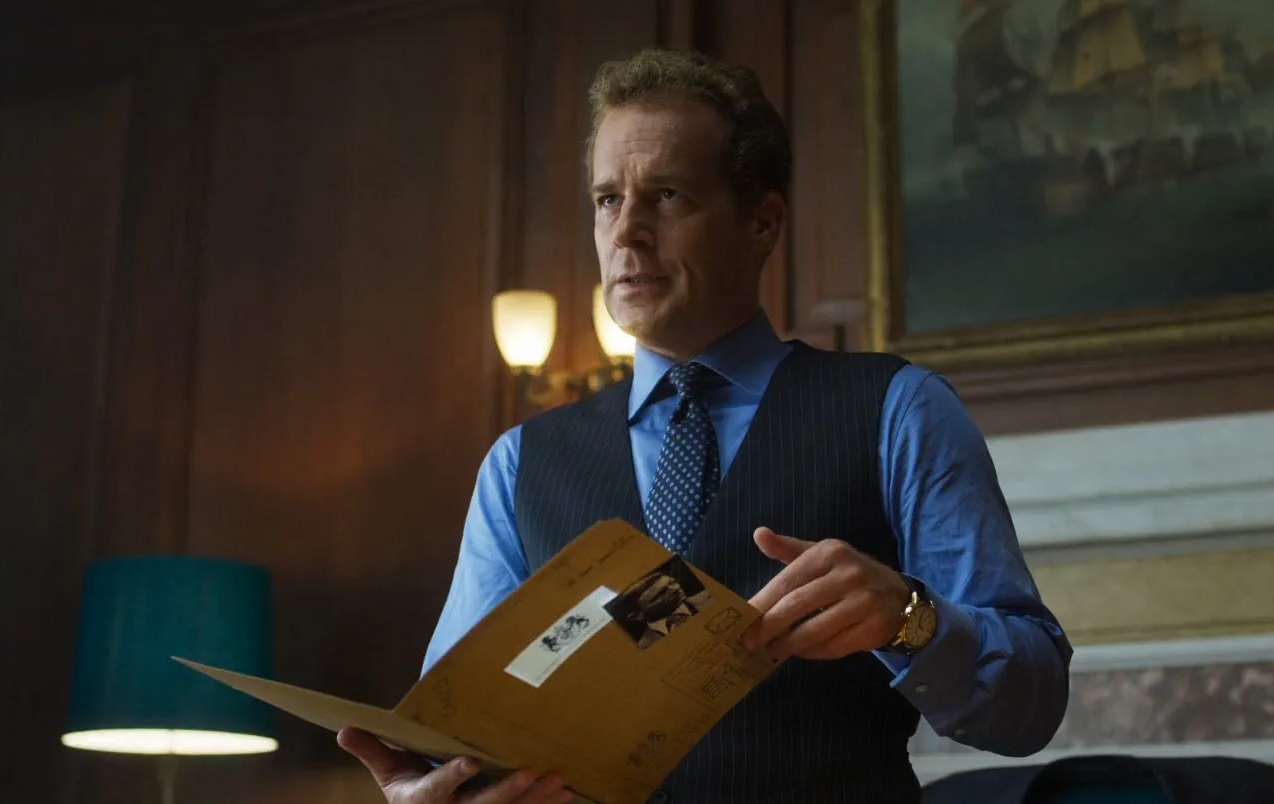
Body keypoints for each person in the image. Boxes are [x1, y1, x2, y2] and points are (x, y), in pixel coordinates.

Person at [339, 46, 1073, 804]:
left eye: (666, 196)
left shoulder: (900, 408)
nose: (626, 233)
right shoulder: (519, 463)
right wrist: (431, 792)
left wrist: (910, 619)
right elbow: (453, 733)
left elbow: (1033, 706)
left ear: (762, 222)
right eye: (607, 200)